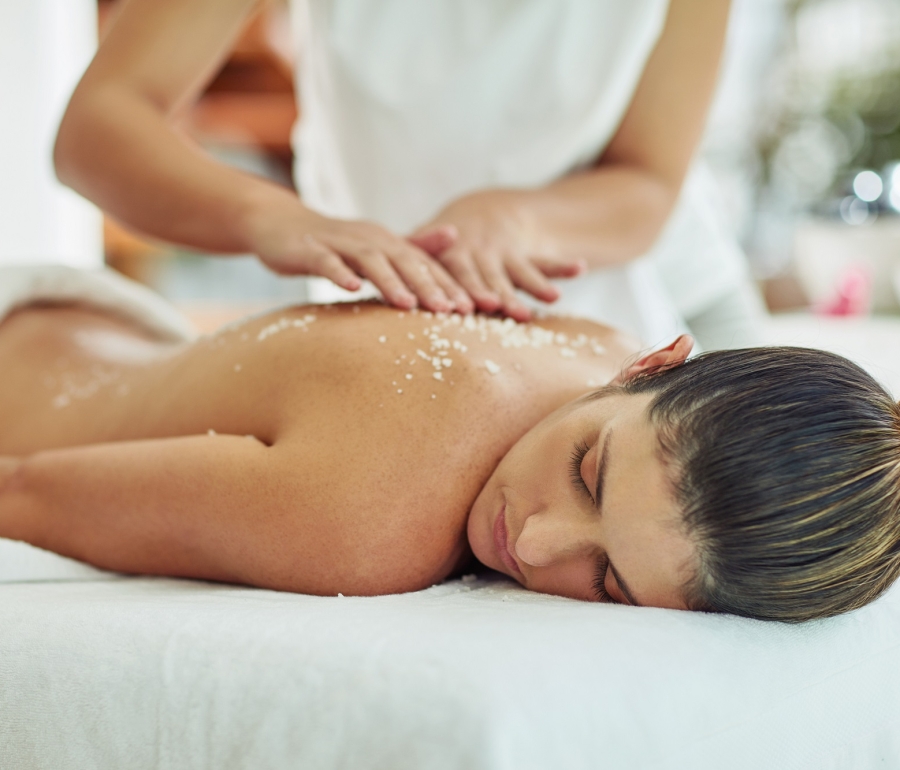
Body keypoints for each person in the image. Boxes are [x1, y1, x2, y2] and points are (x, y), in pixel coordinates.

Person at [0, 266, 897, 622]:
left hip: (87, 318)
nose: (536, 542)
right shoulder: (370, 517)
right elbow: (22, 492)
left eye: (607, 582)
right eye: (589, 473)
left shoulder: (588, 340)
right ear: (649, 365)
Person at [54, 0, 764, 349]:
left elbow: (648, 184)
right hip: (387, 308)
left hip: (657, 301)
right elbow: (96, 130)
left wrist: (514, 218)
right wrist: (268, 215)